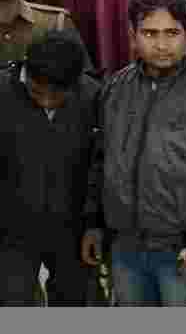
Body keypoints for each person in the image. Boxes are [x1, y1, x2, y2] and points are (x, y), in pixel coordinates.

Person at [80, 0, 186, 306]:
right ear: (133, 37)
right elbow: (100, 161)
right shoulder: (114, 90)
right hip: (123, 245)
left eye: (172, 33)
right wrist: (93, 223)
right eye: (150, 33)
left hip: (182, 250)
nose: (162, 44)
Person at [0, 32, 100, 306]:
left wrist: (94, 224)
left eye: (57, 96)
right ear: (26, 71)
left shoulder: (92, 95)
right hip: (11, 231)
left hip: (73, 230)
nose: (46, 102)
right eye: (37, 92)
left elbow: (99, 166)